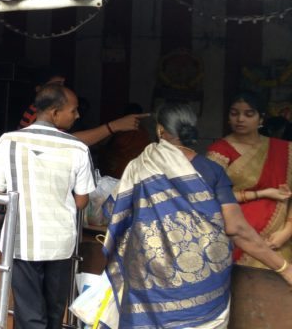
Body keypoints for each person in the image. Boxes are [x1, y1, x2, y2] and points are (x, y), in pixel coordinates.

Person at [101, 102, 292, 329]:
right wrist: (285, 268)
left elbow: (116, 214)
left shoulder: (140, 166)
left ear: (160, 130)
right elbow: (237, 229)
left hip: (150, 272)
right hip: (204, 277)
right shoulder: (211, 170)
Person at [0, 84, 95, 329]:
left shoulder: (8, 141)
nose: (77, 116)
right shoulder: (78, 148)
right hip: (60, 244)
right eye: (73, 110)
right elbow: (81, 200)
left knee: (29, 313)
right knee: (55, 311)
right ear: (55, 113)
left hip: (21, 241)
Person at [207, 91, 292, 268]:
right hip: (235, 235)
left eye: (248, 114)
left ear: (261, 118)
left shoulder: (283, 149)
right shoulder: (219, 151)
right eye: (234, 113)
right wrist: (261, 193)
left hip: (279, 236)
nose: (240, 119)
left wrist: (287, 231)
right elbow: (209, 197)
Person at [17, 74, 147, 147]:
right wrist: (113, 126)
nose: (62, 89)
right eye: (56, 85)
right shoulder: (35, 113)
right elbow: (65, 141)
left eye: (63, 84)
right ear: (39, 89)